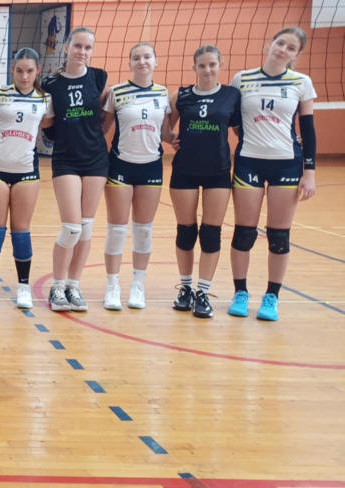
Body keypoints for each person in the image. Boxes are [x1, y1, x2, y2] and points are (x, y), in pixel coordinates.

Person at [228, 27, 316, 322]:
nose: (283, 50)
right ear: (270, 43)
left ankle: (271, 296)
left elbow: (308, 131)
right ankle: (240, 293)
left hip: (287, 164)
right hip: (248, 162)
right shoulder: (242, 79)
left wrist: (310, 172)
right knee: (244, 233)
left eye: (291, 48)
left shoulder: (301, 83)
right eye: (280, 43)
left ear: (296, 55)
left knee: (279, 236)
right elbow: (234, 121)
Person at [168, 45, 241, 319]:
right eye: (202, 65)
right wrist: (170, 138)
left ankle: (203, 292)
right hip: (185, 170)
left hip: (218, 171)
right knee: (186, 231)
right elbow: (165, 126)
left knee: (211, 233)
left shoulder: (231, 95)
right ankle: (185, 288)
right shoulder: (182, 95)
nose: (208, 70)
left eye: (212, 64)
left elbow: (241, 131)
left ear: (221, 65)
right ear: (194, 67)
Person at [0, 48, 53, 310]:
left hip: (27, 171)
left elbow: (46, 124)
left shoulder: (45, 99)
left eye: (29, 71)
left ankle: (23, 287)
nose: (24, 76)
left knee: (21, 231)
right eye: (19, 70)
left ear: (37, 71)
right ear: (12, 70)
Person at [100, 43, 173, 310]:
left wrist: (181, 139)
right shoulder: (117, 92)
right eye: (136, 58)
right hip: (120, 165)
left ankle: (137, 285)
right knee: (117, 229)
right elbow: (102, 128)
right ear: (130, 63)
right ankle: (112, 286)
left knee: (143, 230)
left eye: (147, 57)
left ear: (155, 61)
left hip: (151, 166)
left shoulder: (162, 93)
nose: (142, 61)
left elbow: (165, 132)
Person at [41, 27, 108, 312]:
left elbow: (104, 116)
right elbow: (47, 124)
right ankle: (57, 287)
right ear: (66, 47)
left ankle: (73, 285)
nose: (82, 51)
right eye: (78, 46)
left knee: (86, 228)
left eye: (88, 47)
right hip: (66, 158)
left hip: (95, 159)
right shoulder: (51, 83)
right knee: (71, 227)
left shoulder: (99, 77)